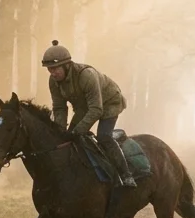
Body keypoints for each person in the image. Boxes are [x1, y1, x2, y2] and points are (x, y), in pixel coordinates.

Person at [42, 40, 136, 188]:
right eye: (49, 69)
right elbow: (59, 108)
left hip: (109, 102)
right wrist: (60, 132)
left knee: (103, 136)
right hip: (85, 107)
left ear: (67, 65)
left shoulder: (86, 75)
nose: (52, 73)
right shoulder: (53, 81)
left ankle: (126, 175)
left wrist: (77, 131)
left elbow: (96, 109)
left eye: (55, 68)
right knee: (69, 137)